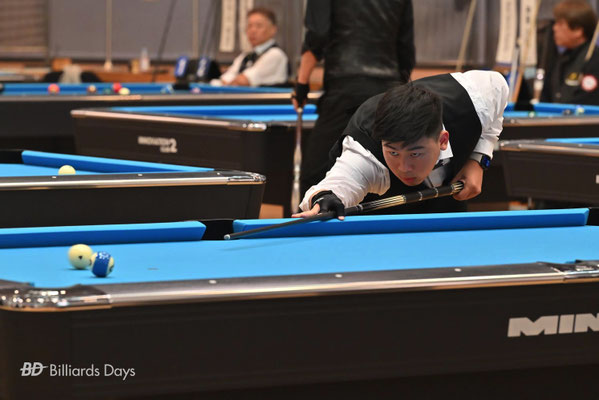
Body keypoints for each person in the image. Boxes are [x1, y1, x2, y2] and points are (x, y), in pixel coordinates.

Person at [293, 70, 509, 219]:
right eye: (393, 153)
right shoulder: (367, 152)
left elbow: (499, 86)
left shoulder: (475, 97)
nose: (404, 167)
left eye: (415, 154)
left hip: (447, 203)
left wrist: (478, 158)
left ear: (443, 140)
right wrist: (324, 199)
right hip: (384, 222)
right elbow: (341, 182)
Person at [292, 0, 415, 196]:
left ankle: (315, 215)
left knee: (314, 175)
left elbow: (317, 35)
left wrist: (302, 84)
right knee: (386, 173)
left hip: (345, 87)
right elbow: (405, 47)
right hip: (388, 89)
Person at [540, 0, 599, 105]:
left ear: (578, 30)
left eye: (560, 24)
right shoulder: (560, 57)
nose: (554, 28)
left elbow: (588, 100)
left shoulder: (594, 59)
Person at [214, 7, 289, 87]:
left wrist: (231, 82)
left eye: (259, 26)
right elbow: (225, 79)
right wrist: (229, 82)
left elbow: (244, 81)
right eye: (249, 26)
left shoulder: (276, 54)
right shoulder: (245, 55)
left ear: (273, 29)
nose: (253, 30)